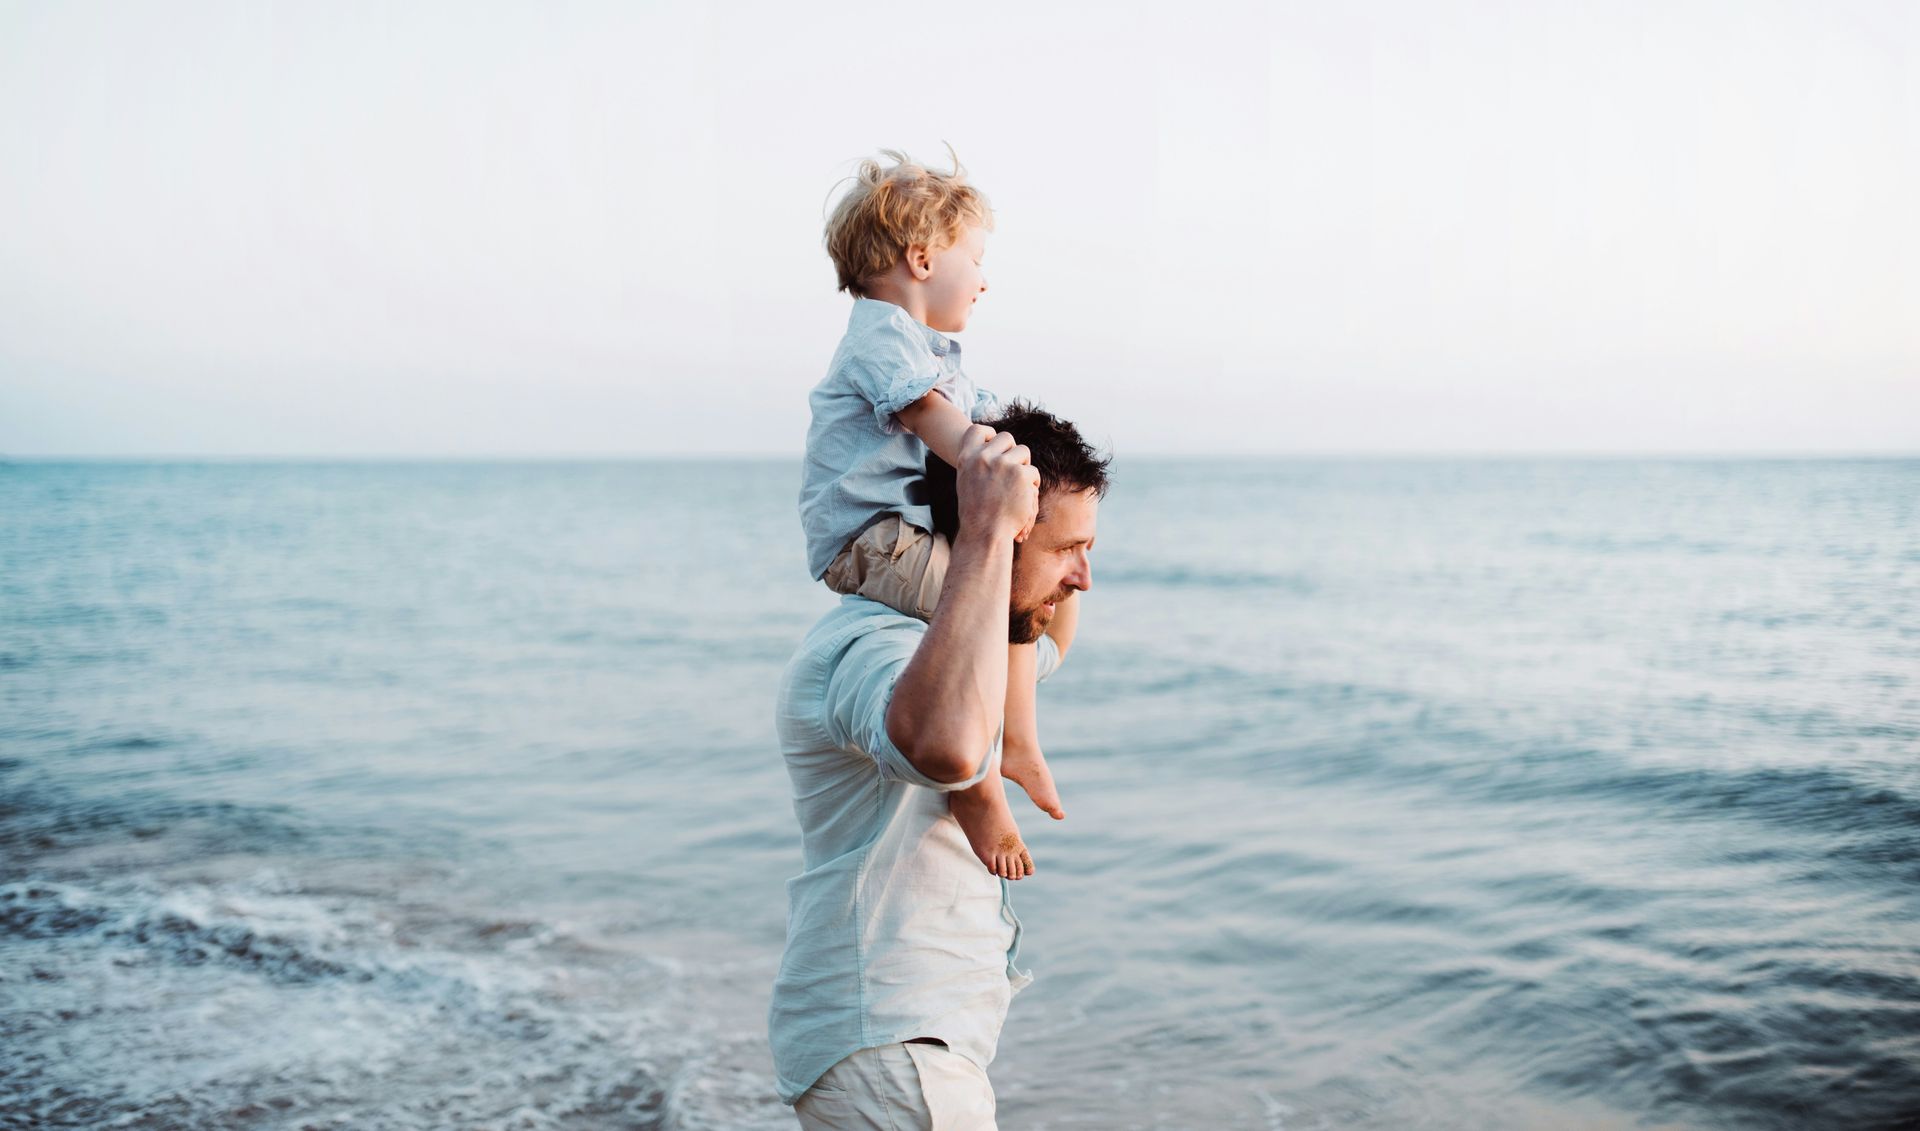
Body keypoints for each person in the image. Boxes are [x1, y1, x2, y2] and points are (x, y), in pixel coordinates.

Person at [771, 401, 1110, 1127]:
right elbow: (946, 746)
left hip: (908, 1050)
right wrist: (990, 526)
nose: (1083, 578)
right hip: (894, 1047)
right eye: (1063, 550)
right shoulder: (877, 643)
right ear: (992, 531)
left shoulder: (967, 653)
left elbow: (1041, 636)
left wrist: (1054, 538)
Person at [800, 147, 1065, 881]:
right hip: (870, 539)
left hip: (896, 533)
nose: (985, 278)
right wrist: (1005, 482)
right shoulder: (881, 333)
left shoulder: (934, 350)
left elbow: (985, 418)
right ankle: (977, 784)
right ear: (922, 259)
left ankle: (1019, 741)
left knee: (1006, 594)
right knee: (972, 615)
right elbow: (937, 423)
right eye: (975, 258)